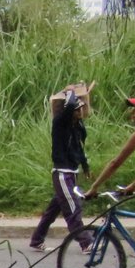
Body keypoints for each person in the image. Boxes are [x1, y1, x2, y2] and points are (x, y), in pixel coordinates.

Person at [29, 82, 92, 250]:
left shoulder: (77, 126)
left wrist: (85, 166)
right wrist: (70, 92)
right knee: (73, 207)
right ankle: (86, 243)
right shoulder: (60, 123)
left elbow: (79, 147)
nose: (80, 112)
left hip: (72, 172)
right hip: (62, 173)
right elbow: (70, 104)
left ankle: (36, 240)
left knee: (53, 210)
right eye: (78, 109)